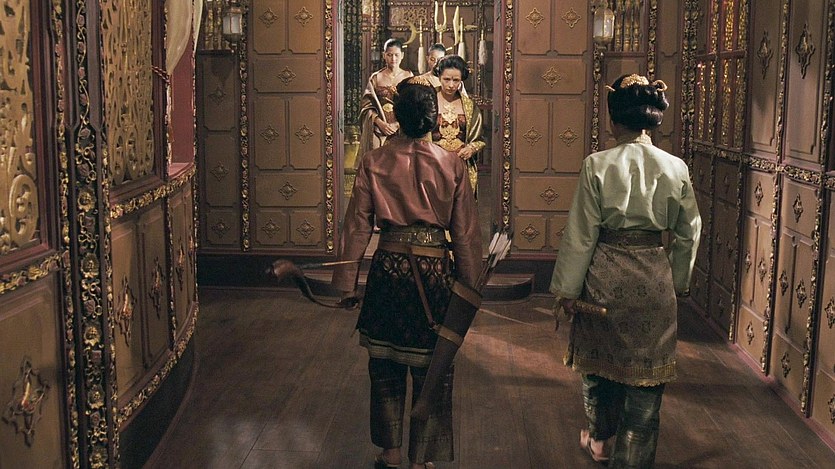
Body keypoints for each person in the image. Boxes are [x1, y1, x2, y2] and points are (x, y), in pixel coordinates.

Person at [550, 74, 701, 468]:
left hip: (605, 277)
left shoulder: (597, 165)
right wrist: (678, 282)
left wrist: (567, 290)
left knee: (597, 367)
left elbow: (581, 234)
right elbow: (689, 232)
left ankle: (600, 441)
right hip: (654, 278)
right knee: (646, 382)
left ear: (614, 119)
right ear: (653, 118)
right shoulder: (675, 167)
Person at [333, 76, 482, 469]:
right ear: (433, 120)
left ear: (397, 117)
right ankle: (421, 460)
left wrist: (347, 284)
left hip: (389, 270)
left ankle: (391, 453)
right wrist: (470, 288)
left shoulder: (374, 161)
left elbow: (357, 227)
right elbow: (465, 233)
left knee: (385, 364)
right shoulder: (452, 164)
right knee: (433, 367)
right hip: (435, 274)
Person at [431, 55, 484, 198]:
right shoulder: (428, 101)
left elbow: (479, 140)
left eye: (456, 80)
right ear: (439, 77)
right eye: (446, 79)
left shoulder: (469, 106)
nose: (451, 85)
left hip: (460, 166)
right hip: (432, 166)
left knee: (459, 207)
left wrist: (471, 148)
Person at [358, 39, 414, 166]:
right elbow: (367, 106)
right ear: (384, 55)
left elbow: (413, 106)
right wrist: (380, 123)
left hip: (402, 129)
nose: (393, 58)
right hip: (379, 130)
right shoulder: (376, 77)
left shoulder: (409, 77)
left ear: (402, 55)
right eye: (389, 55)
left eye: (396, 55)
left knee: (401, 166)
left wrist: (398, 125)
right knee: (378, 165)